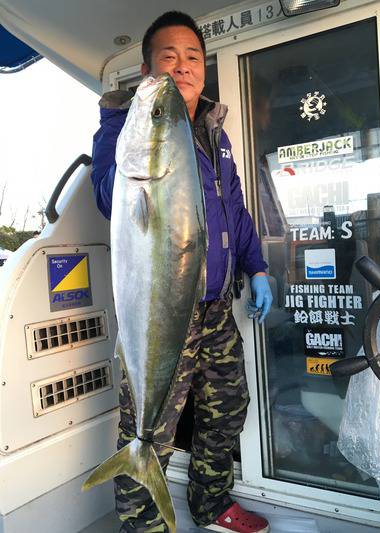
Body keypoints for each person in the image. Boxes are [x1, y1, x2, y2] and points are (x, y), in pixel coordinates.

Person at [90, 11, 272, 533]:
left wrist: (256, 267)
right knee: (150, 427)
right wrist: (120, 134)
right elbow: (108, 197)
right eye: (169, 57)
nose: (183, 66)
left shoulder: (214, 133)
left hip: (215, 305)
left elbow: (233, 207)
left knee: (226, 409)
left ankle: (211, 505)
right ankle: (142, 525)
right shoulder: (127, 127)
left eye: (193, 57)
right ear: (149, 69)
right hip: (162, 309)